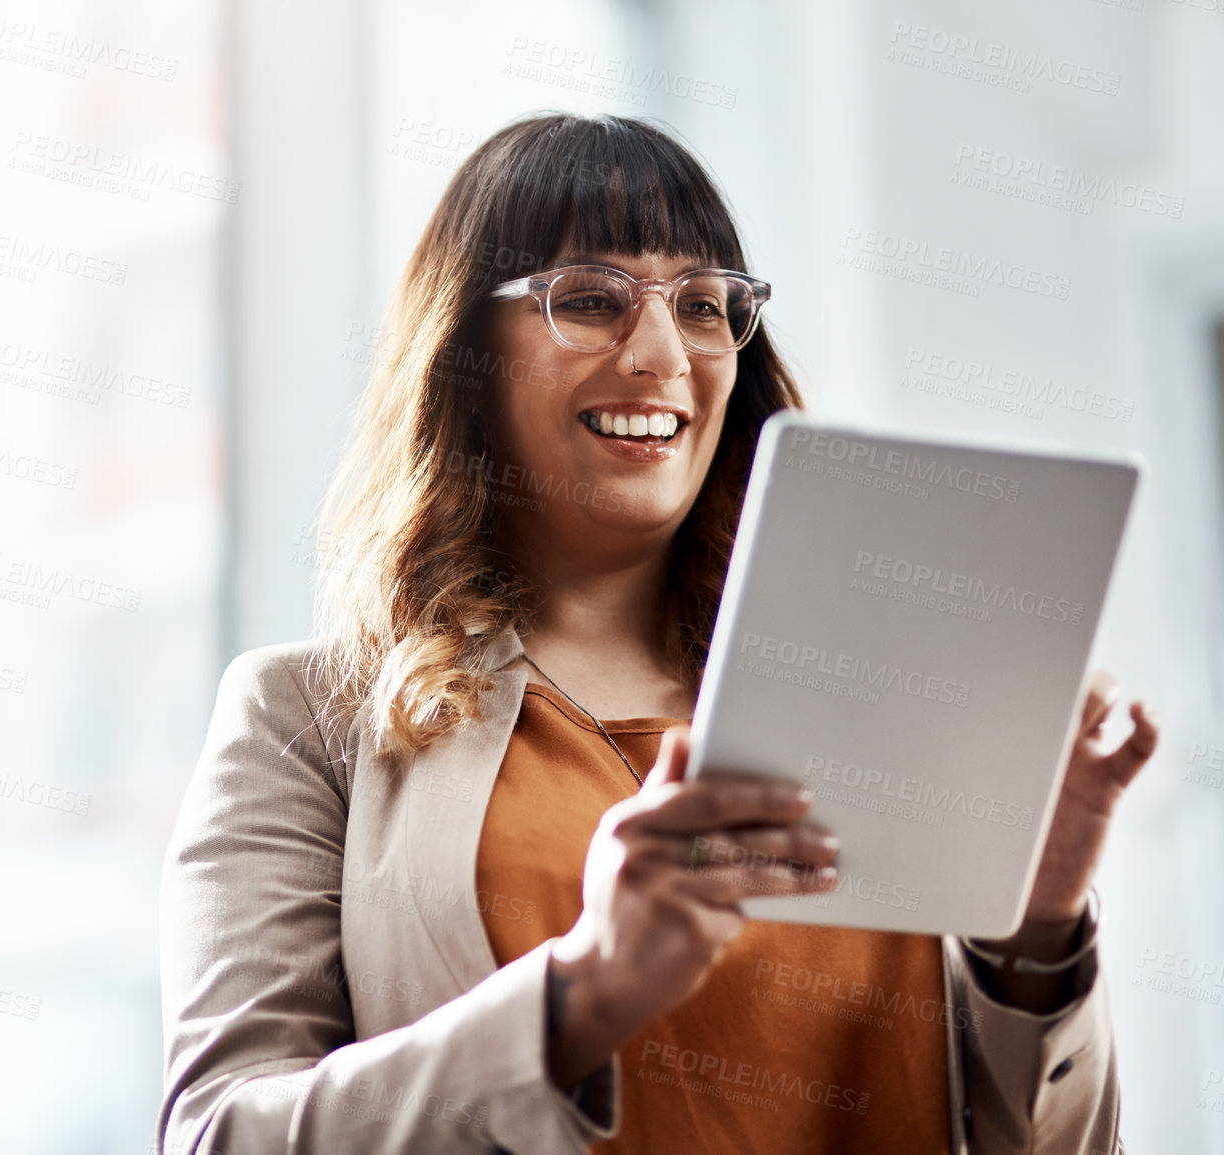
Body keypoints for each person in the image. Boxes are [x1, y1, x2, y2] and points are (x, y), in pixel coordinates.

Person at [157, 113, 1159, 1154]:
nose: (661, 354)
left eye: (703, 306)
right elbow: (220, 1136)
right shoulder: (302, 720)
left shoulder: (873, 691)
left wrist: (1039, 932)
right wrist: (583, 993)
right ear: (461, 352)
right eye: (591, 301)